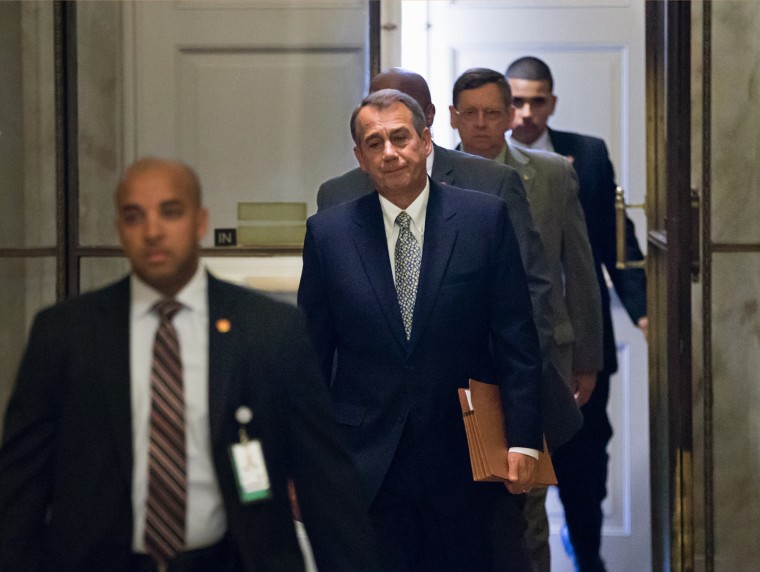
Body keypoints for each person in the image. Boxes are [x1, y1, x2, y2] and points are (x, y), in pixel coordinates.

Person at [0, 158, 379, 572]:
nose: (152, 231)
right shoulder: (65, 335)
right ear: (118, 230)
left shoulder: (269, 331)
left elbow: (325, 482)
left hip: (232, 560)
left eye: (170, 211)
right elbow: (20, 490)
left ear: (199, 222)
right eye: (134, 216)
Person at [298, 89, 543, 572]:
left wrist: (524, 441)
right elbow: (309, 357)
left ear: (426, 142)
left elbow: (517, 340)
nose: (390, 152)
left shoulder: (482, 220)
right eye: (374, 143)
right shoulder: (329, 234)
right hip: (365, 464)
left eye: (400, 138)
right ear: (360, 158)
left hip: (466, 458)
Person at [317, 67, 582, 453]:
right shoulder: (336, 200)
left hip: (477, 407)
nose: (389, 149)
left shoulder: (492, 185)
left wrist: (519, 408)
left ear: (427, 129)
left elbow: (526, 301)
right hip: (371, 423)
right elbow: (321, 336)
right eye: (374, 135)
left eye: (401, 130)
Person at [450, 67, 604, 572]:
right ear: (452, 118)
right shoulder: (430, 176)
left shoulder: (552, 172)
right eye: (469, 114)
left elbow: (578, 266)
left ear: (509, 115)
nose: (480, 124)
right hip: (460, 364)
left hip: (538, 358)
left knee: (530, 498)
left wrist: (586, 357)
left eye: (492, 112)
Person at [506, 56, 648, 572]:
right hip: (510, 343)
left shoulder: (585, 154)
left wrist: (645, 312)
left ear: (552, 103)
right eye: (516, 100)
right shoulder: (476, 160)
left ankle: (588, 555)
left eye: (536, 101)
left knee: (585, 463)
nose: (525, 113)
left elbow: (615, 242)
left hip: (581, 340)